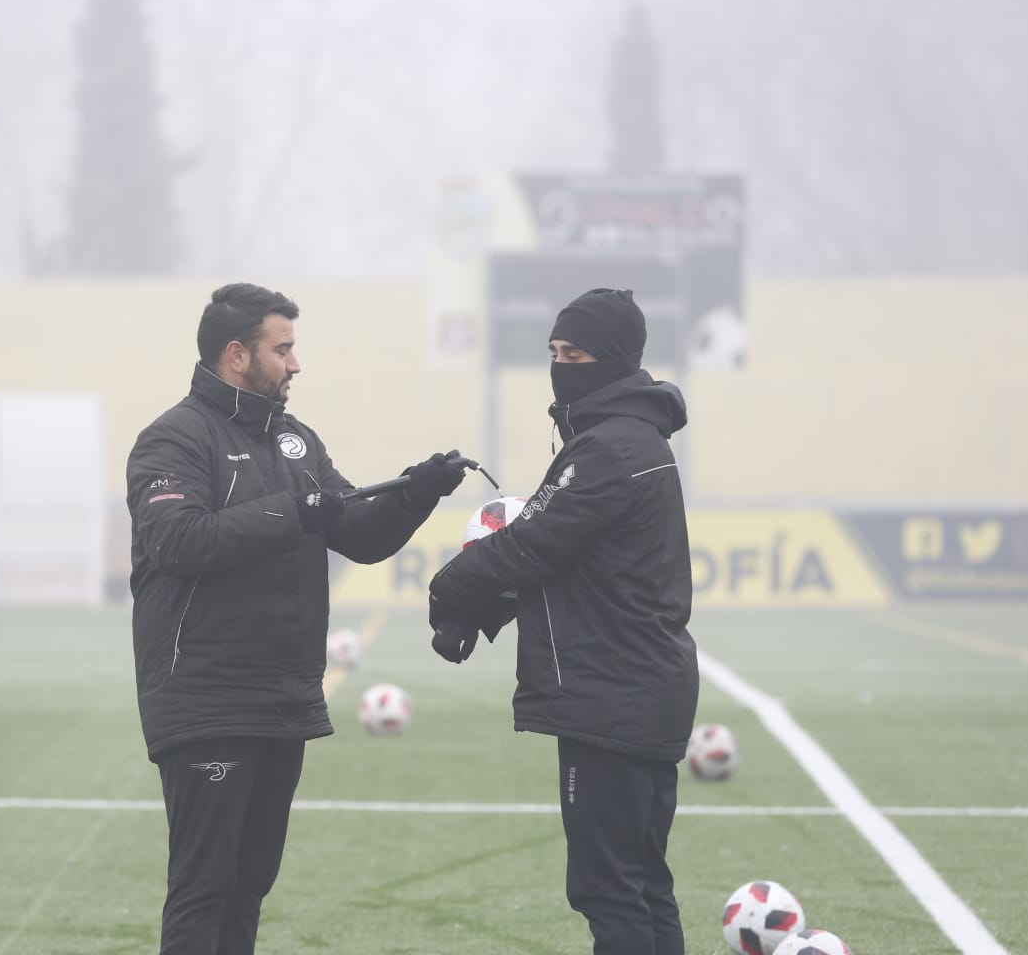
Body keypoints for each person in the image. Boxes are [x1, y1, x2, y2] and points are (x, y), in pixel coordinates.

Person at [126, 282, 466, 955]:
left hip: (281, 696)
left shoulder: (294, 440)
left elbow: (358, 532)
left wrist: (415, 492)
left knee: (250, 880)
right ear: (236, 355)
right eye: (282, 350)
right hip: (205, 699)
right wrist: (295, 512)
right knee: (204, 885)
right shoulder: (172, 439)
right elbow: (179, 541)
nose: (295, 364)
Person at [426, 287, 698, 955]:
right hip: (641, 688)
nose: (559, 365)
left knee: (609, 891)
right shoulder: (635, 438)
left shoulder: (608, 448)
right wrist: (484, 613)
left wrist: (449, 589)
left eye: (573, 353)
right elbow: (568, 564)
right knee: (643, 884)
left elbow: (532, 543)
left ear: (611, 359)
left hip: (611, 695)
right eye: (552, 352)